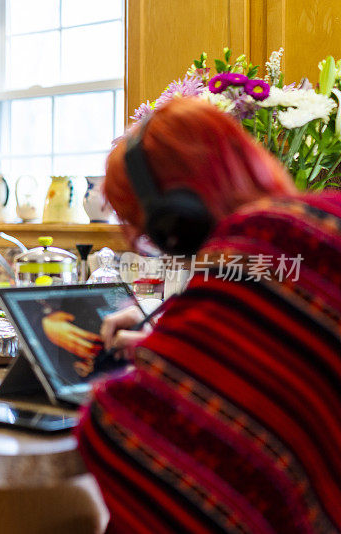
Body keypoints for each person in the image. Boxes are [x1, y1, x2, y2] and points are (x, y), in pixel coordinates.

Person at [76, 97, 341, 532]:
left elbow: (139, 432)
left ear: (173, 221)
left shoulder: (257, 247)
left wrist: (159, 371)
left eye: (146, 234)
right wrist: (174, 347)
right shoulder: (321, 220)